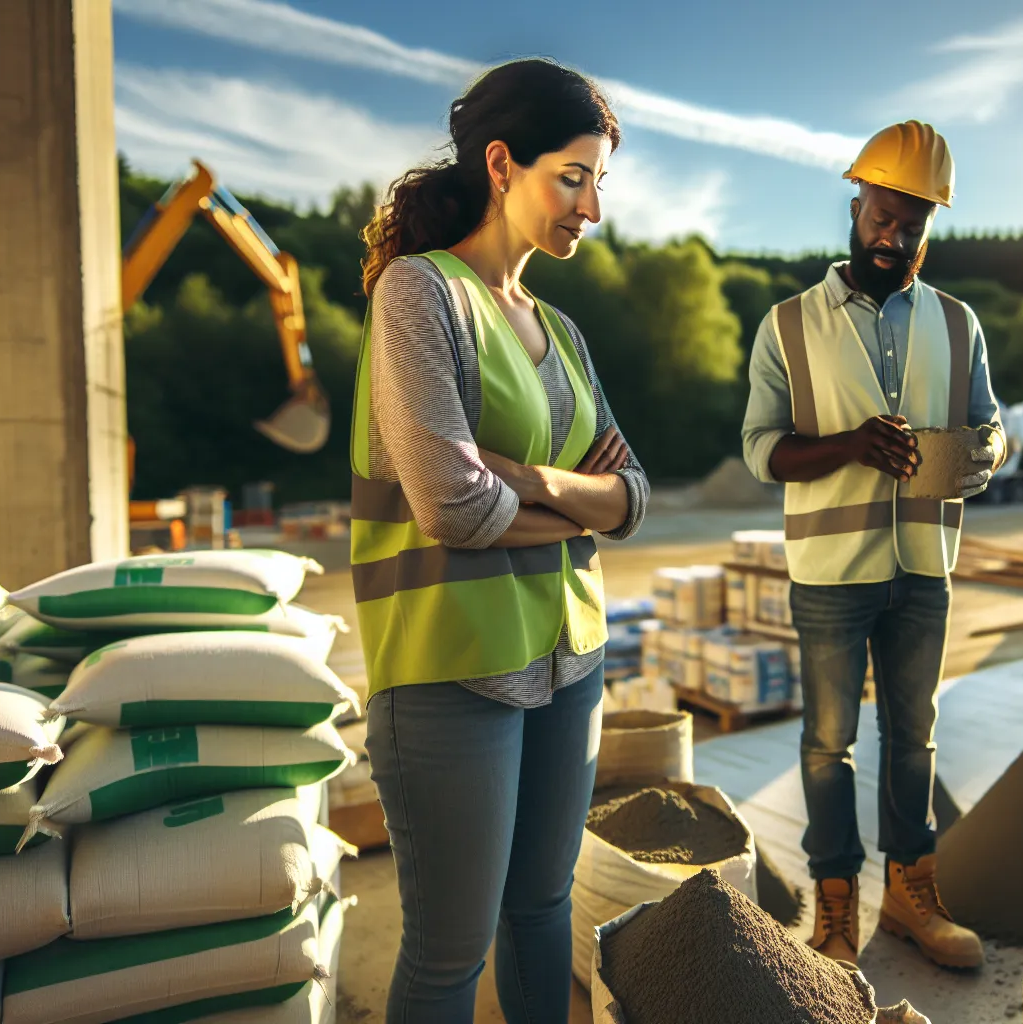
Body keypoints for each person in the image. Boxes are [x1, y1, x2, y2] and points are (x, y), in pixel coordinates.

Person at [351, 58, 648, 1024]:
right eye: (573, 175)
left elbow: (636, 496)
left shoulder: (561, 332)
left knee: (543, 911)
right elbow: (452, 506)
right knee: (450, 952)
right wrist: (579, 503)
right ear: (499, 164)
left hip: (571, 659)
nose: (591, 208)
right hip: (450, 669)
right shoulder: (418, 296)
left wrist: (527, 480)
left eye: (600, 181)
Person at [740, 120, 1006, 970]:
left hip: (924, 568)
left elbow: (992, 427)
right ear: (856, 203)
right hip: (829, 576)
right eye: (881, 218)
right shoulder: (788, 326)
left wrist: (981, 456)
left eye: (913, 225)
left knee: (914, 739)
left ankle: (909, 898)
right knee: (827, 745)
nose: (894, 239)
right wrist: (850, 444)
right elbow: (761, 449)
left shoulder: (961, 324)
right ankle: (834, 910)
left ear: (931, 224)